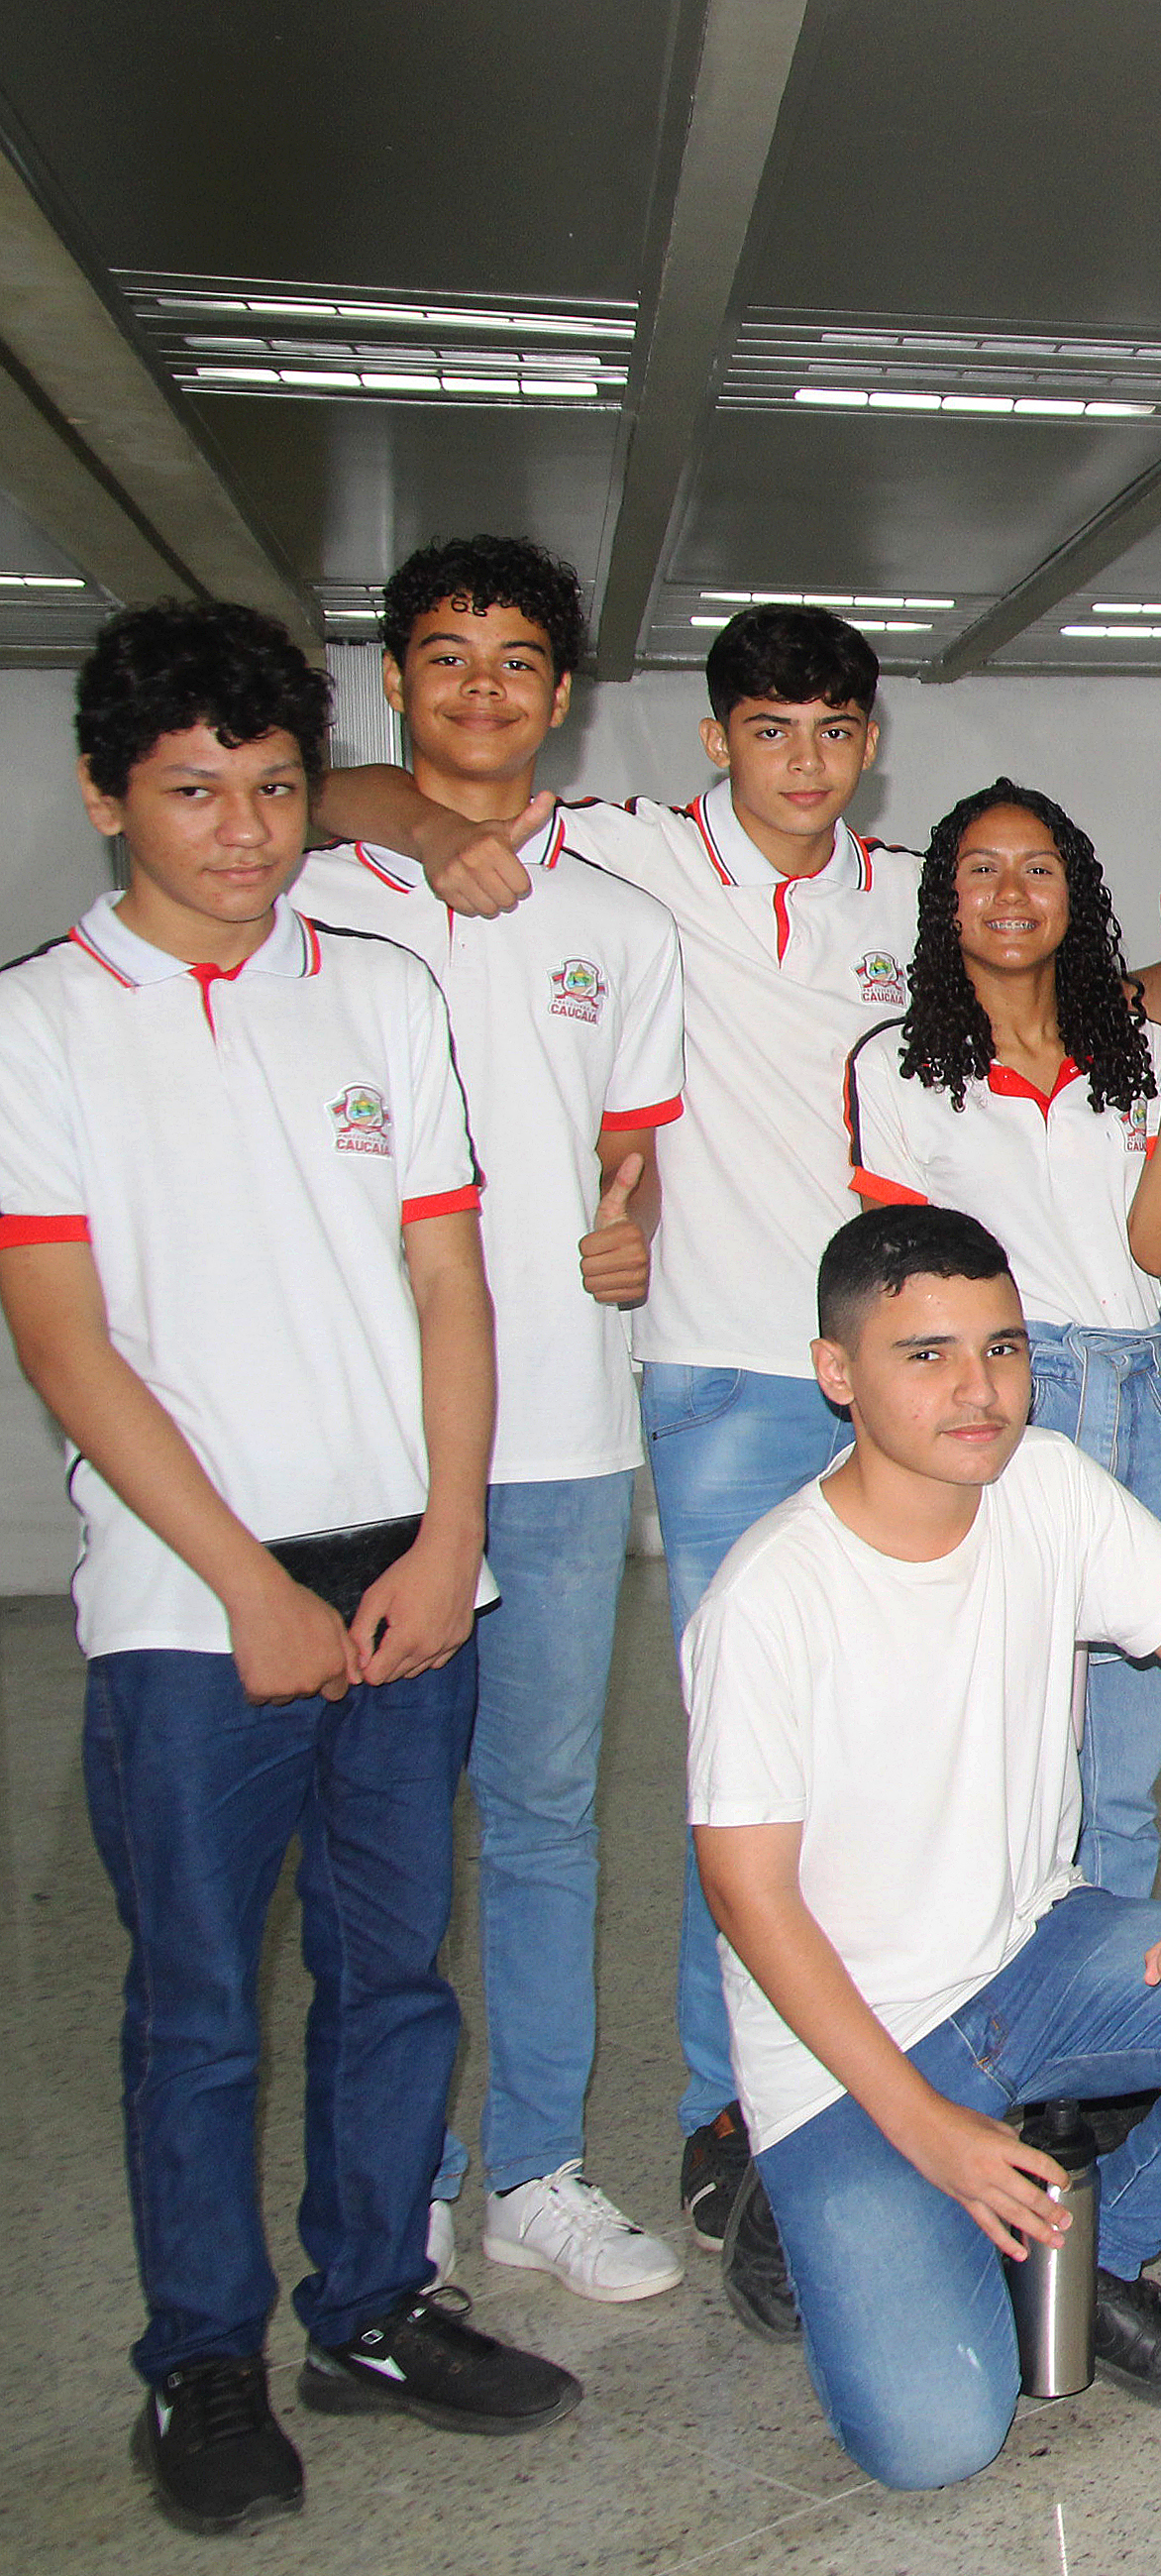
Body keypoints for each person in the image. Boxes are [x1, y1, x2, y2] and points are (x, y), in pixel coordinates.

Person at [4, 605, 575, 2536]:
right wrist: (246, 1580)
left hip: (407, 1567)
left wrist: (450, 1530)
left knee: (393, 1974)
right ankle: (202, 2359)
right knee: (195, 2001)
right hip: (190, 1603)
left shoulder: (378, 991)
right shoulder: (39, 1020)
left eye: (267, 789)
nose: (242, 831)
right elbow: (67, 1337)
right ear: (107, 796)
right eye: (192, 794)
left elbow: (447, 1277)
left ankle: (373, 2302)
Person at [686, 1207, 1161, 2489]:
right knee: (940, 2441)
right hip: (849, 2055)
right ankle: (804, 2210)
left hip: (1028, 1962)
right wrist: (928, 2132)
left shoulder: (1046, 1486)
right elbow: (747, 1895)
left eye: (1003, 1349)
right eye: (927, 1355)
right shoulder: (768, 1599)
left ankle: (1087, 2254)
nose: (979, 1391)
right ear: (837, 1375)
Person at [287, 537, 691, 2305]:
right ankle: (409, 2180)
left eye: (516, 661)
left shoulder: (621, 920)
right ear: (392, 681)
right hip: (353, 1450)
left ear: (562, 692)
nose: (479, 690)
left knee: (539, 1816)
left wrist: (635, 1219)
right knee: (384, 1844)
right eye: (443, 657)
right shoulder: (302, 888)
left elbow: (631, 1143)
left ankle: (532, 2165)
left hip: (558, 1438)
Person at [845, 779, 1161, 1899]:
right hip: (1013, 1401)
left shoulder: (1138, 1049)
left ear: (1078, 893)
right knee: (1016, 1747)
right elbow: (905, 1275)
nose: (1012, 892)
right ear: (944, 900)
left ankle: (1101, 2022)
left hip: (1154, 1388)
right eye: (982, 868)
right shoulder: (900, 1063)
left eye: (1040, 868)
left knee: (1126, 1756)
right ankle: (1007, 1983)